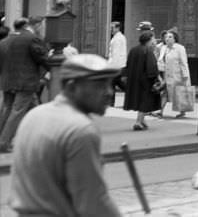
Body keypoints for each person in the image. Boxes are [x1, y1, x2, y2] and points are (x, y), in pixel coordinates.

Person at [9, 53, 122, 217]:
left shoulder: (35, 115)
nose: (109, 92)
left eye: (109, 84)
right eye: (99, 85)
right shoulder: (81, 130)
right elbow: (93, 203)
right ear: (71, 87)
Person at [0, 15, 49, 153]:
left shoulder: (6, 40)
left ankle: (40, 137)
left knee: (7, 109)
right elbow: (42, 58)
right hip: (25, 81)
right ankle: (4, 142)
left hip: (8, 80)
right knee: (17, 111)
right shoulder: (32, 39)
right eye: (43, 25)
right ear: (37, 25)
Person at [123, 30, 161, 131]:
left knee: (139, 99)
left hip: (134, 79)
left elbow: (128, 64)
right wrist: (156, 78)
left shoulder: (133, 50)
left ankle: (142, 120)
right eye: (153, 38)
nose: (154, 40)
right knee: (145, 100)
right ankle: (138, 121)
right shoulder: (148, 50)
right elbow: (152, 66)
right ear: (149, 40)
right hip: (145, 80)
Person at [159, 30, 192, 118]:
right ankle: (160, 110)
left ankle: (182, 111)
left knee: (179, 93)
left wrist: (185, 75)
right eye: (166, 37)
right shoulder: (164, 48)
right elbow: (161, 61)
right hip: (167, 75)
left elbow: (183, 62)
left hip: (177, 75)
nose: (167, 39)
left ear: (175, 39)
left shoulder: (179, 48)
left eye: (170, 37)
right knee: (164, 93)